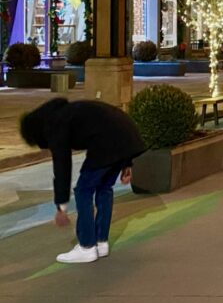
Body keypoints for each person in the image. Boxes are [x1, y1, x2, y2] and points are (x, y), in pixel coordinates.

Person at [19, 98, 146, 264]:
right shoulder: (69, 111)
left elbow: (62, 165)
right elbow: (117, 128)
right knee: (104, 188)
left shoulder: (55, 124)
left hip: (107, 144)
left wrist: (61, 206)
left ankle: (86, 246)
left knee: (83, 191)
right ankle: (101, 243)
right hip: (125, 137)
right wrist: (126, 163)